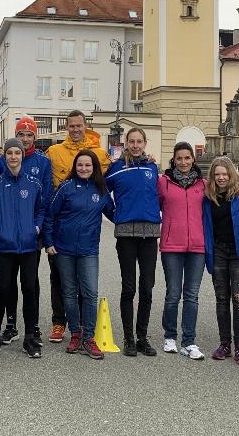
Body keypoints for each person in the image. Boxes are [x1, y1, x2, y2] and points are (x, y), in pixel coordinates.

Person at [44, 110, 110, 343]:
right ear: (66, 127)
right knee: (60, 283)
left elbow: (113, 179)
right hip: (62, 235)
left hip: (87, 245)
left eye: (79, 126)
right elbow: (43, 181)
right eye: (71, 126)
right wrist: (48, 240)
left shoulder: (100, 154)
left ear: (85, 126)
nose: (75, 129)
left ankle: (84, 329)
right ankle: (60, 323)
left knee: (87, 289)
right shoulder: (53, 152)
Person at [0, 137, 45, 359]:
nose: (13, 157)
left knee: (29, 289)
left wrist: (36, 229)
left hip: (28, 247)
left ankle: (30, 337)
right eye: (9, 153)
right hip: (5, 247)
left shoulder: (34, 183)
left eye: (17, 153)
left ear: (22, 156)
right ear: (4, 156)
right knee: (3, 291)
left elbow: (41, 210)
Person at [0, 117, 51, 345]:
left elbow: (44, 200)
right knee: (7, 282)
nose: (25, 139)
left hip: (30, 235)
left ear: (35, 138)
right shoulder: (3, 160)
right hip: (6, 233)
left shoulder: (43, 162)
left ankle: (32, 326)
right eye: (21, 135)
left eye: (29, 135)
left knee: (30, 281)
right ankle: (10, 323)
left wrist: (39, 229)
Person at [104, 127, 160, 357]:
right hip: (126, 234)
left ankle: (142, 337)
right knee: (129, 287)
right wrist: (114, 215)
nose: (136, 145)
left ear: (145, 143)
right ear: (126, 144)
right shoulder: (116, 169)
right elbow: (101, 193)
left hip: (149, 234)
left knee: (147, 287)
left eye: (139, 141)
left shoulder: (153, 167)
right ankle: (128, 338)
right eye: (132, 141)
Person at [202, 155, 239, 366]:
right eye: (217, 175)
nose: (221, 178)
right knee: (222, 299)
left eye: (225, 174)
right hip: (219, 251)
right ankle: (225, 343)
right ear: (212, 177)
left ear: (232, 174)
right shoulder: (208, 196)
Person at [157, 142, 207, 361]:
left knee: (192, 296)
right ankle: (170, 336)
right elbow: (153, 204)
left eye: (187, 158)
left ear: (193, 160)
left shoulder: (203, 185)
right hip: (172, 246)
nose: (184, 162)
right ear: (174, 160)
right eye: (180, 158)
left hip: (197, 246)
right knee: (173, 294)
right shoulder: (163, 182)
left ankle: (189, 341)